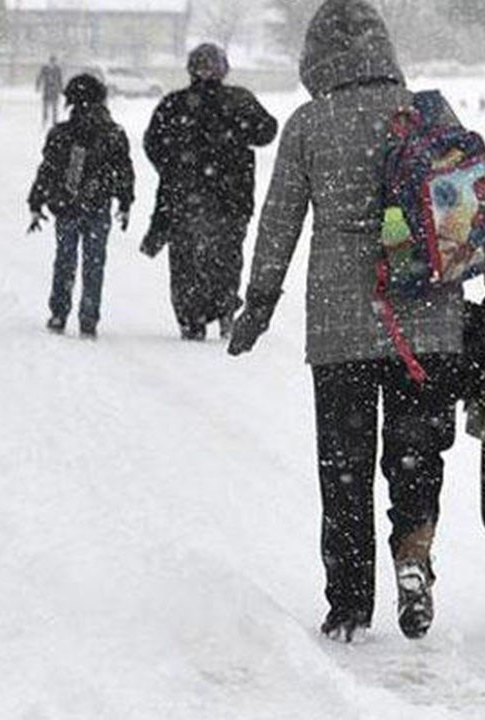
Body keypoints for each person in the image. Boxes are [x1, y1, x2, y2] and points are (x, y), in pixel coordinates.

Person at [228, 0, 461, 643]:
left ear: (315, 57)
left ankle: (350, 605)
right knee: (415, 454)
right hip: (427, 319)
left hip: (341, 324)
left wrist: (259, 301)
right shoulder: (426, 110)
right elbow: (465, 210)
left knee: (346, 467)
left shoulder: (309, 122)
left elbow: (279, 221)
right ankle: (413, 556)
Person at [144, 43, 278, 341]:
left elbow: (153, 143)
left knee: (187, 261)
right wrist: (237, 134)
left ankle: (193, 317)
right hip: (231, 196)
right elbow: (267, 131)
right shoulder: (237, 100)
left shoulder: (175, 104)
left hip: (188, 197)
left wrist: (174, 168)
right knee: (225, 258)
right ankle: (223, 309)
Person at [27, 74, 134, 339]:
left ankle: (59, 313)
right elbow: (124, 170)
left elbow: (48, 170)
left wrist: (36, 201)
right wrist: (125, 200)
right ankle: (88, 317)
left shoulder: (62, 133)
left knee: (65, 260)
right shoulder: (113, 133)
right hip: (98, 206)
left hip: (67, 206)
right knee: (94, 263)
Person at [36, 55, 64, 127]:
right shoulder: (45, 68)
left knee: (54, 107)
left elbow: (60, 79)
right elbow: (40, 77)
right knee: (46, 107)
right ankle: (45, 120)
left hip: (54, 90)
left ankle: (54, 121)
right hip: (47, 90)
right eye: (52, 61)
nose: (53, 63)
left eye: (54, 61)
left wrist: (61, 89)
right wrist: (38, 85)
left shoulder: (57, 69)